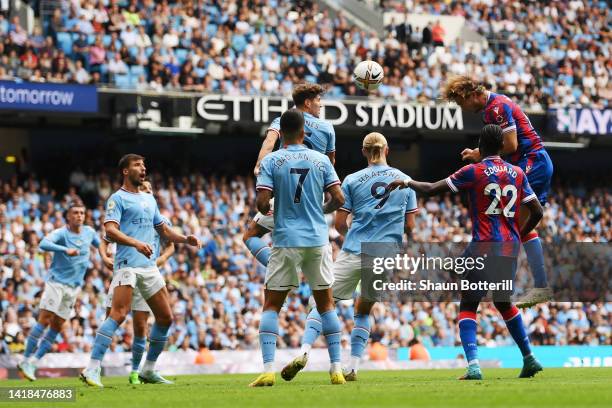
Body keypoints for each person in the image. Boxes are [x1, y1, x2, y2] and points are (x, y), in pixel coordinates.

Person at [387, 124, 544, 380]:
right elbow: (537, 211)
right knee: (503, 302)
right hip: (508, 248)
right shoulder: (517, 173)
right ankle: (529, 358)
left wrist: (406, 181)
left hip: (483, 246)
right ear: (503, 146)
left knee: (468, 304)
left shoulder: (474, 171)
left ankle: (474, 367)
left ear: (481, 147)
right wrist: (517, 234)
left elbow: (431, 189)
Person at [282, 132, 418, 382]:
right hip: (384, 254)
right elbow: (410, 226)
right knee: (363, 310)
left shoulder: (352, 180)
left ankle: (304, 350)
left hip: (355, 249)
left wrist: (354, 231)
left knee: (322, 302)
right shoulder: (405, 181)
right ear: (386, 150)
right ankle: (353, 367)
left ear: (364, 152)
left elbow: (340, 223)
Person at [80, 154, 201, 387]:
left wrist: (186, 239)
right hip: (128, 265)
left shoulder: (149, 199)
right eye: (137, 165)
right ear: (125, 171)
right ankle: (92, 368)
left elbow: (164, 230)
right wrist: (135, 243)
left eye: (144, 165)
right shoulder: (117, 199)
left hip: (149, 267)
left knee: (166, 317)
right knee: (118, 314)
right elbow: (110, 231)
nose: (143, 168)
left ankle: (148, 370)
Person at [249, 109, 345, 387]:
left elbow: (261, 204)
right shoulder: (319, 160)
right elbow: (338, 198)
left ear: (282, 134)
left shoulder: (272, 160)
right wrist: (320, 208)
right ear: (304, 132)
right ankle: (336, 370)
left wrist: (276, 207)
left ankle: (268, 370)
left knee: (272, 305)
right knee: (326, 305)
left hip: (286, 240)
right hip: (316, 239)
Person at [442, 76, 554, 308]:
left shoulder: (497, 107)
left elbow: (511, 145)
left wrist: (478, 155)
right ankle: (537, 284)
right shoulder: (490, 109)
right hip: (528, 162)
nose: (463, 110)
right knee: (512, 224)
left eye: (461, 104)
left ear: (471, 95)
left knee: (505, 218)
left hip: (532, 161)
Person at [244, 83, 336, 268]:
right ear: (308, 103)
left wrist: (258, 165)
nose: (321, 105)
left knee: (250, 236)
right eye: (319, 100)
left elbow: (269, 142)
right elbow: (331, 163)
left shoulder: (283, 120)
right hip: (312, 201)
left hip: (285, 198)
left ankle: (276, 265)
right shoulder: (327, 128)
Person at [99, 180, 175, 385]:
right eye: (144, 188)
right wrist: (105, 258)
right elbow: (106, 238)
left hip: (148, 271)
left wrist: (162, 259)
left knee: (141, 326)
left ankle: (136, 372)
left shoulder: (159, 217)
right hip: (126, 268)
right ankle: (94, 366)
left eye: (150, 189)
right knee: (112, 317)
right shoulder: (127, 210)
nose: (147, 191)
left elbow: (170, 244)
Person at [18, 201, 100, 381]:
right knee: (44, 320)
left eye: (81, 213)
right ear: (68, 216)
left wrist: (108, 254)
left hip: (73, 288)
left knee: (57, 326)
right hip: (56, 284)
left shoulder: (90, 232)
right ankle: (24, 360)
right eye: (75, 213)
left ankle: (33, 363)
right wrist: (65, 249)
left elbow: (99, 245)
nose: (79, 216)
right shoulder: (62, 233)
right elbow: (43, 243)